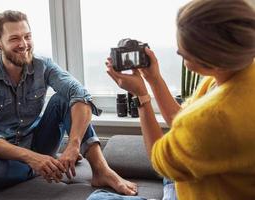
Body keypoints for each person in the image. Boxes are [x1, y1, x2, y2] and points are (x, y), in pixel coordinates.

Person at [0, 10, 137, 195]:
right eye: (14, 39)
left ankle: (102, 171)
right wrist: (33, 159)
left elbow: (80, 94)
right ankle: (42, 167)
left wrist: (73, 145)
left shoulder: (42, 65)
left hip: (39, 142)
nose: (24, 44)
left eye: (27, 36)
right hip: (2, 154)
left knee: (64, 99)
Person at [106, 0, 255, 199]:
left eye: (184, 52)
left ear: (212, 59)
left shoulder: (215, 117)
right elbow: (182, 118)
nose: (179, 52)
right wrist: (154, 79)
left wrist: (141, 96)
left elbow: (160, 161)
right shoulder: (231, 73)